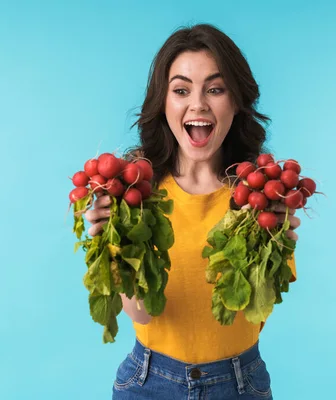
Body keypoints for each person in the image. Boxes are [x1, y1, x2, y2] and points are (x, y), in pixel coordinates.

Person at [85, 23, 301, 399]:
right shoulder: (138, 195)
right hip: (150, 382)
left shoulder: (258, 200)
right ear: (163, 102)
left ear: (236, 101)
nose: (198, 104)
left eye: (215, 89)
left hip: (239, 384)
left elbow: (253, 317)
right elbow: (140, 314)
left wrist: (277, 244)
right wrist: (109, 243)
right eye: (181, 90)